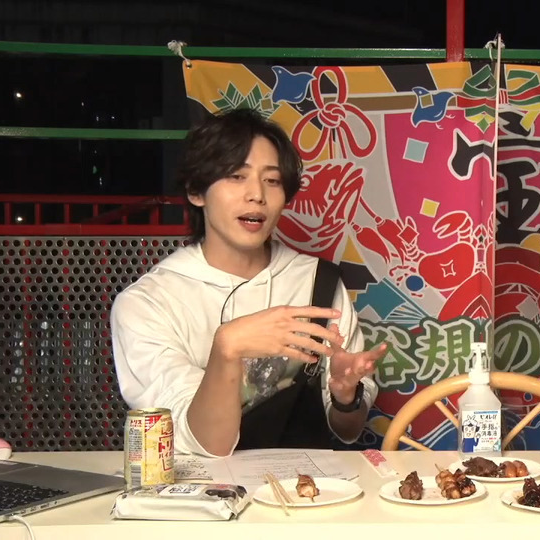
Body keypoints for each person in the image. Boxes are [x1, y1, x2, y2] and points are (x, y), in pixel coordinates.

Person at [111, 109, 387, 457]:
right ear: (196, 191)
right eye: (236, 176)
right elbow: (204, 444)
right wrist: (227, 347)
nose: (256, 194)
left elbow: (348, 430)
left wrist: (346, 396)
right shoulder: (148, 303)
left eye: (272, 180)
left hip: (305, 484)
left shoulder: (319, 282)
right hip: (197, 486)